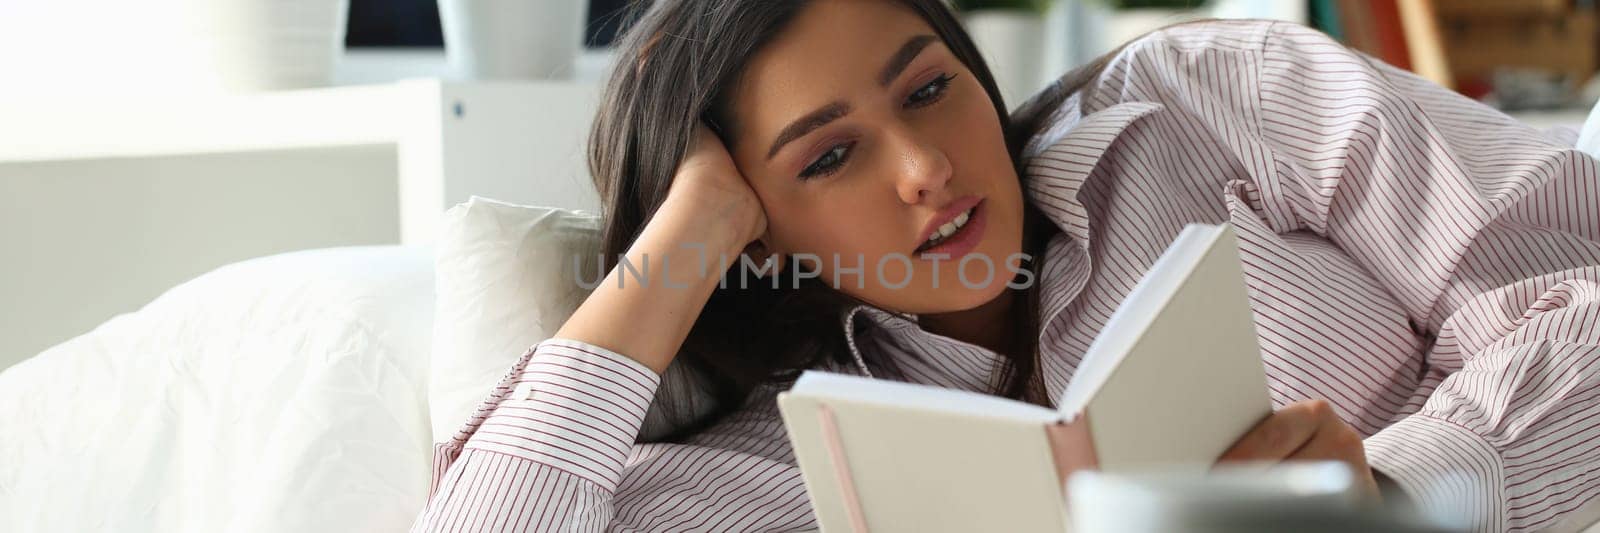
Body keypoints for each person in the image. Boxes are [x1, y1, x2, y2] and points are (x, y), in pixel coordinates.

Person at [411, 1, 1600, 531]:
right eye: (830, 156)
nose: (927, 165)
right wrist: (678, 247)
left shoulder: (1203, 109)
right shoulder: (787, 462)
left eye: (929, 86)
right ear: (753, 226)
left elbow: (1573, 280)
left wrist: (1400, 490)